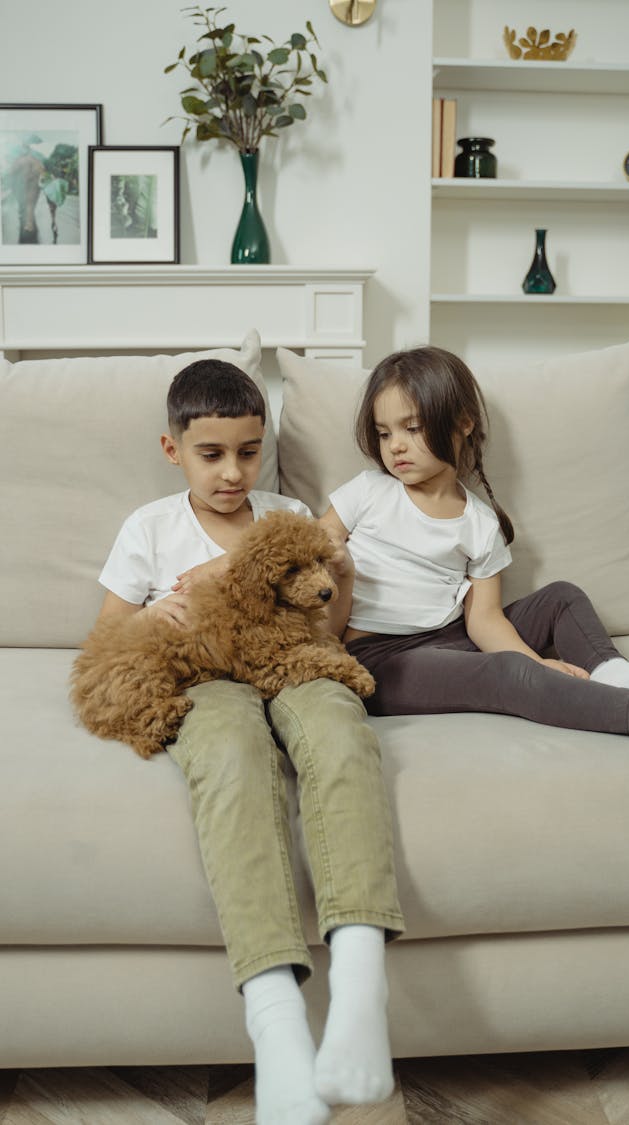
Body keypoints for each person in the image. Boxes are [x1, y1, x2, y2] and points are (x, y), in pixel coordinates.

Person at [93, 358, 404, 1125]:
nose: (233, 471)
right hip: (208, 678)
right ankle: (278, 1027)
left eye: (249, 450)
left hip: (293, 663)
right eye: (211, 454)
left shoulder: (287, 514)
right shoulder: (152, 526)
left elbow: (323, 623)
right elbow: (104, 633)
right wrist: (154, 615)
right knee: (229, 754)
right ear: (173, 450)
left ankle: (362, 990)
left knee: (339, 724)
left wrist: (340, 580)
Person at [319, 345, 629, 745]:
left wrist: (533, 659)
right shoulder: (370, 491)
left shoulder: (479, 523)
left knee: (561, 597)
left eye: (411, 428)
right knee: (509, 673)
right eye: (382, 433)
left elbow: (484, 620)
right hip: (378, 659)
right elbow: (314, 545)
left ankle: (614, 673)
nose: (394, 446)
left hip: (451, 637)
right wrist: (530, 666)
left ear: (462, 423)